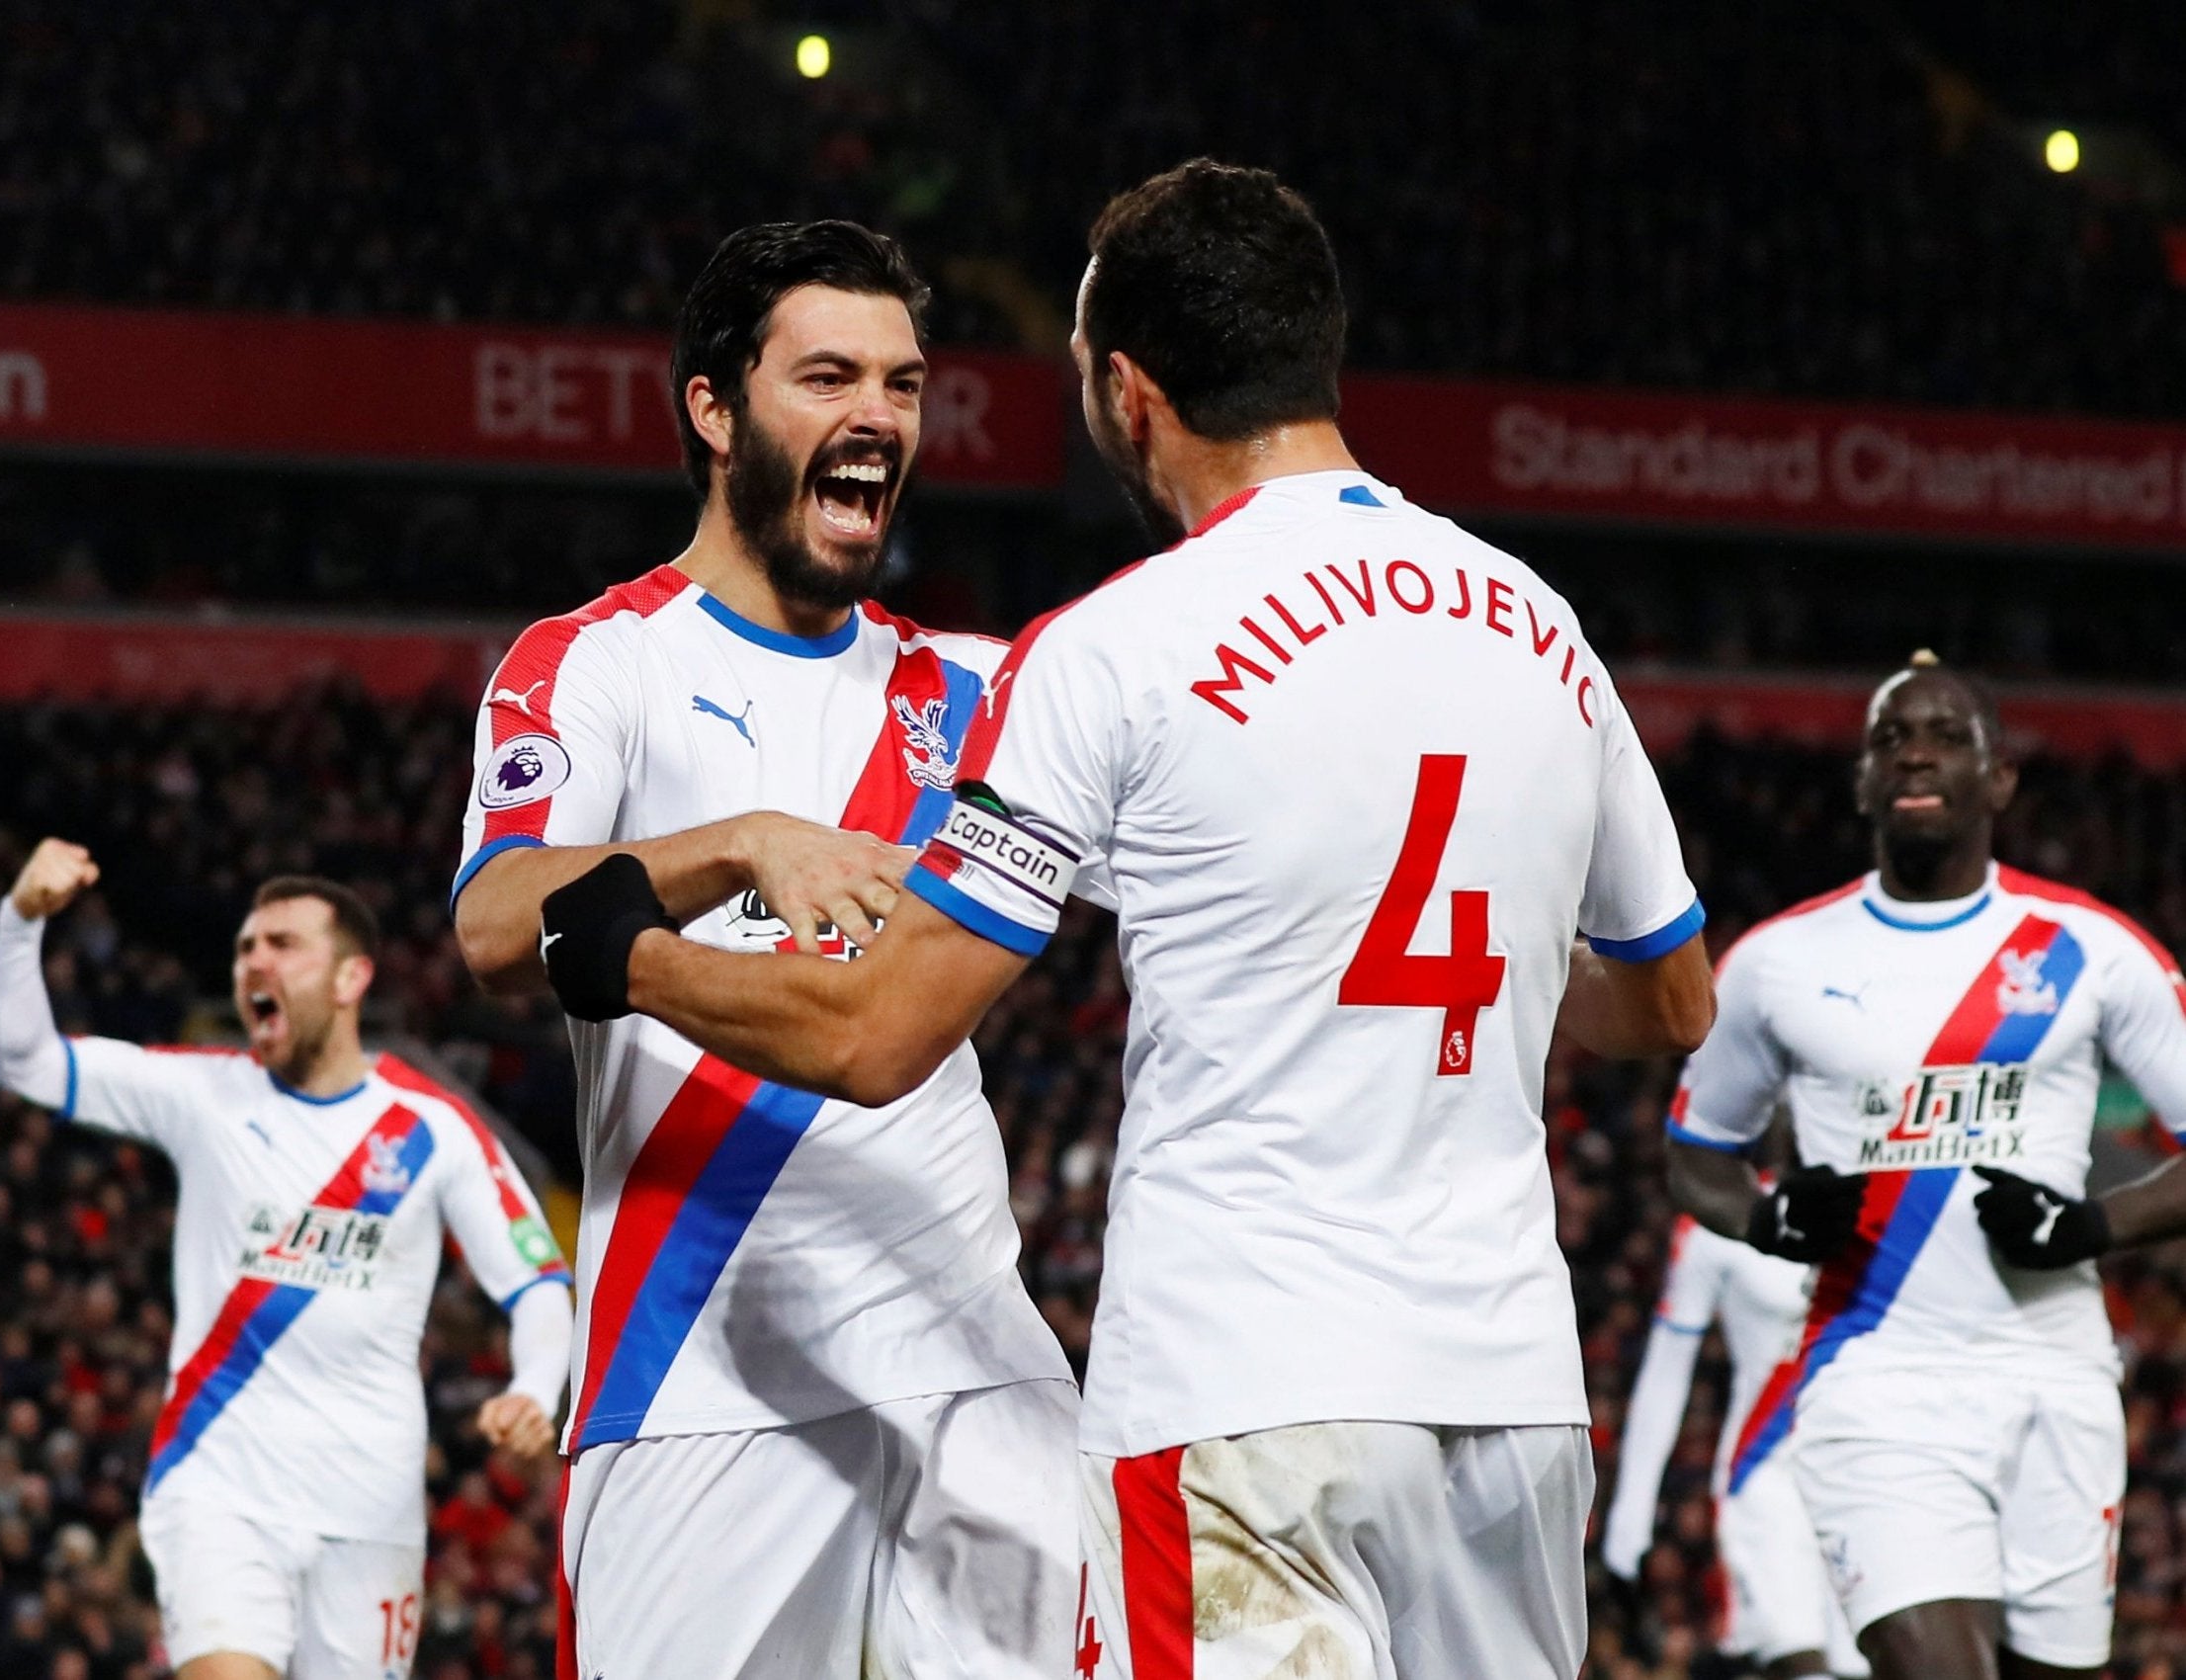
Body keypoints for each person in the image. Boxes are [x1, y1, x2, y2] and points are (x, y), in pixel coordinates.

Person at [534, 160, 1714, 1679]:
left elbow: (881, 1030)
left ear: (1128, 390)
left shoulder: (1114, 651)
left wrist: (632, 956)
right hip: (1512, 1396)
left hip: (1245, 1397)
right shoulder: (1537, 624)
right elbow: (1672, 1005)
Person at [449, 220, 1077, 1680]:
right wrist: (734, 843)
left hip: (970, 1363)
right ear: (714, 411)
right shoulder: (597, 661)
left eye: (906, 384)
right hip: (701, 1367)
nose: (879, 416)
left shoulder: (980, 693)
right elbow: (496, 923)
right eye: (830, 376)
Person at [1666, 650, 2186, 1680]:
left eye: (1948, 734)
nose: (1916, 750)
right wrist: (1768, 1219)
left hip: (2056, 1373)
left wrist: (2094, 1224)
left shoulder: (2095, 949)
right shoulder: (1777, 960)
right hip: (1873, 1373)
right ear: (1862, 779)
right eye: (1892, 735)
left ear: (1999, 779)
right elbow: (1696, 1156)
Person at [0, 839, 572, 1680]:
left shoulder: (431, 1126)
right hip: (220, 1486)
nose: (254, 961)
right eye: (245, 948)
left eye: (282, 945)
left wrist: (531, 1388)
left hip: (371, 1508)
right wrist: (20, 918)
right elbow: (23, 1060)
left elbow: (540, 1283)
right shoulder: (203, 1093)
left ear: (350, 979)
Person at [1604, 1200, 1867, 1680]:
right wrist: (1630, 1513)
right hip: (1766, 1473)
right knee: (1799, 1657)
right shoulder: (1718, 1222)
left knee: (1877, 1657)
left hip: (1867, 1463)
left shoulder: (1891, 1196)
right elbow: (1667, 1369)